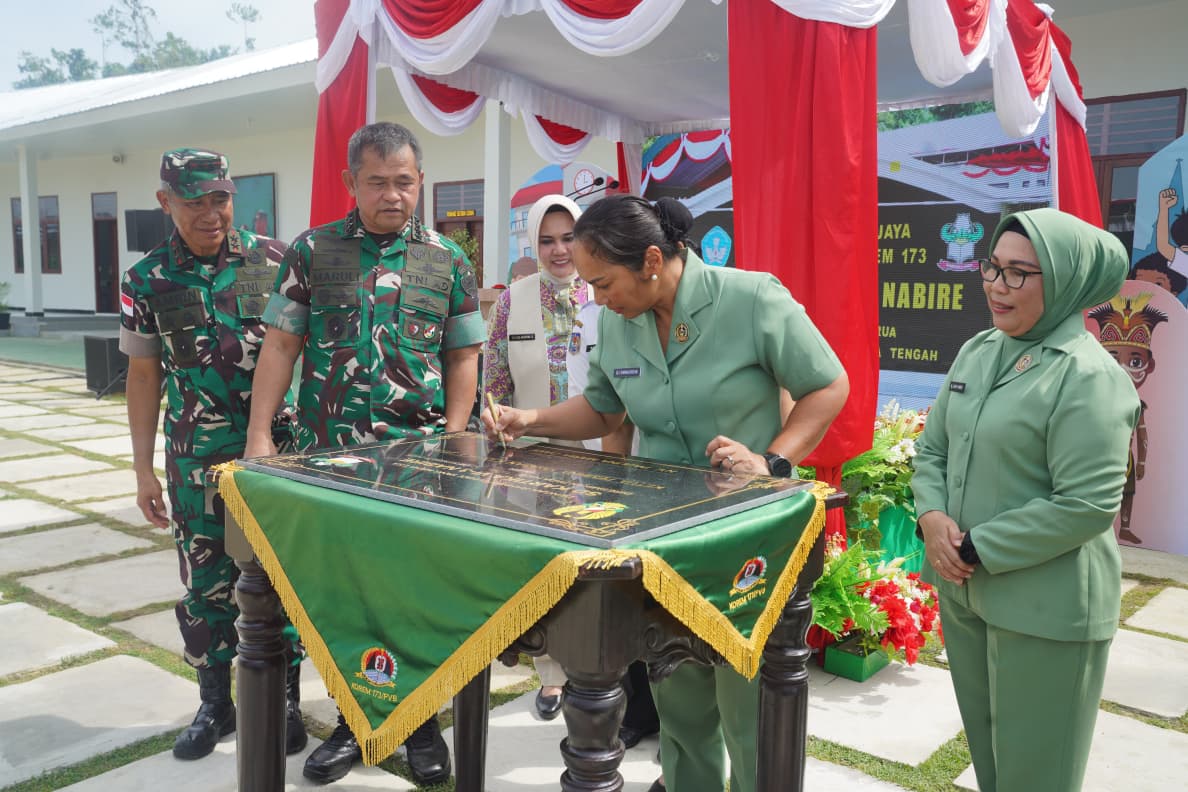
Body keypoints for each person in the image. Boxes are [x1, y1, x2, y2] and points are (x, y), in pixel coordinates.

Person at [482, 194, 848, 792]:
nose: (596, 297)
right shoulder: (618, 321)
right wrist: (531, 420)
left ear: (652, 260)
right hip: (665, 538)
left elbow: (827, 385)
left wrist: (773, 460)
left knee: (748, 703)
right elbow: (605, 410)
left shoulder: (751, 299)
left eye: (604, 282)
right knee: (680, 701)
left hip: (744, 535)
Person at [243, 121, 486, 786]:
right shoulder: (312, 251)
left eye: (404, 182)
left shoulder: (447, 258)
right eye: (377, 182)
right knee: (342, 596)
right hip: (332, 462)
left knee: (415, 593)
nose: (392, 195)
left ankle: (421, 721)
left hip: (419, 466)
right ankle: (356, 719)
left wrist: (455, 439)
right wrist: (260, 434)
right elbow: (282, 345)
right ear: (350, 182)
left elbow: (463, 355)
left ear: (421, 181)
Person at [911, 209, 1140, 792]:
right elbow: (933, 449)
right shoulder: (979, 350)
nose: (996, 285)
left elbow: (1086, 504)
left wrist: (975, 547)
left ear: (1064, 281)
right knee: (993, 766)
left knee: (1036, 775)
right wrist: (931, 516)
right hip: (968, 594)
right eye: (992, 267)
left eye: (1019, 273)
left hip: (1047, 607)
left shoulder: (1088, 376)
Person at [119, 148, 306, 761]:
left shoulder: (275, 261)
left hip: (272, 454)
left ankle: (284, 700)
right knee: (206, 583)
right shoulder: (146, 279)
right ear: (165, 202)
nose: (210, 213)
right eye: (193, 201)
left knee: (280, 575)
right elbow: (143, 376)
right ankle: (215, 703)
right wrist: (143, 470)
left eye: (219, 198)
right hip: (193, 460)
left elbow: (303, 349)